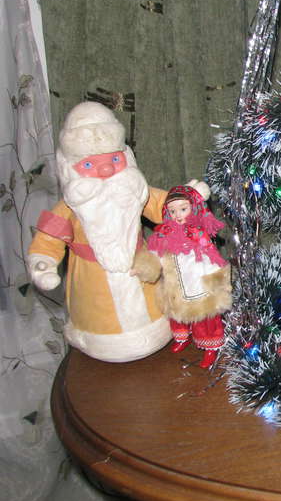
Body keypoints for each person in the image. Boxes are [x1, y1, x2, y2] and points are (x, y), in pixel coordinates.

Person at [27, 102, 172, 362]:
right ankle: (102, 338)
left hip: (144, 279)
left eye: (114, 160)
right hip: (93, 295)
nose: (106, 171)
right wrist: (43, 263)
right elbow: (47, 241)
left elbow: (166, 206)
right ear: (70, 168)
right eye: (89, 165)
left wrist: (188, 200)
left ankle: (155, 328)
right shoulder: (69, 207)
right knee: (97, 312)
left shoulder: (132, 191)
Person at [133, 184, 231, 369]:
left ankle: (211, 346)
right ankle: (182, 337)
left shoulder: (199, 235)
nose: (177, 215)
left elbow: (212, 260)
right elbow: (155, 254)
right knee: (176, 315)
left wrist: (218, 283)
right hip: (175, 285)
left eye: (183, 209)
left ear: (193, 208)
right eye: (172, 211)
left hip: (197, 284)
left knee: (203, 317)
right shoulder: (163, 234)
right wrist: (144, 267)